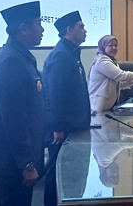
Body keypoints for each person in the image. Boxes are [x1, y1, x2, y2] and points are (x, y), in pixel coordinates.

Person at [0, 1, 45, 206]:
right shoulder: (11, 61)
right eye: (38, 24)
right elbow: (14, 119)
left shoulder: (20, 56)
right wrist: (27, 164)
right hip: (12, 161)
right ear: (23, 29)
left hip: (18, 158)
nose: (42, 29)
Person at [42, 11, 91, 206]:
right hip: (63, 128)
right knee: (57, 173)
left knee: (71, 174)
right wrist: (57, 127)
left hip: (74, 125)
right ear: (69, 30)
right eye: (81, 27)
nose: (85, 31)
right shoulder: (61, 55)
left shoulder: (71, 52)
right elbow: (55, 94)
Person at [88, 35, 133, 112]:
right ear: (103, 46)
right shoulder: (102, 61)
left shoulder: (112, 62)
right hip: (97, 109)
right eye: (110, 45)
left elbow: (119, 84)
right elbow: (122, 76)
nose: (114, 48)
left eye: (116, 45)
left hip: (108, 108)